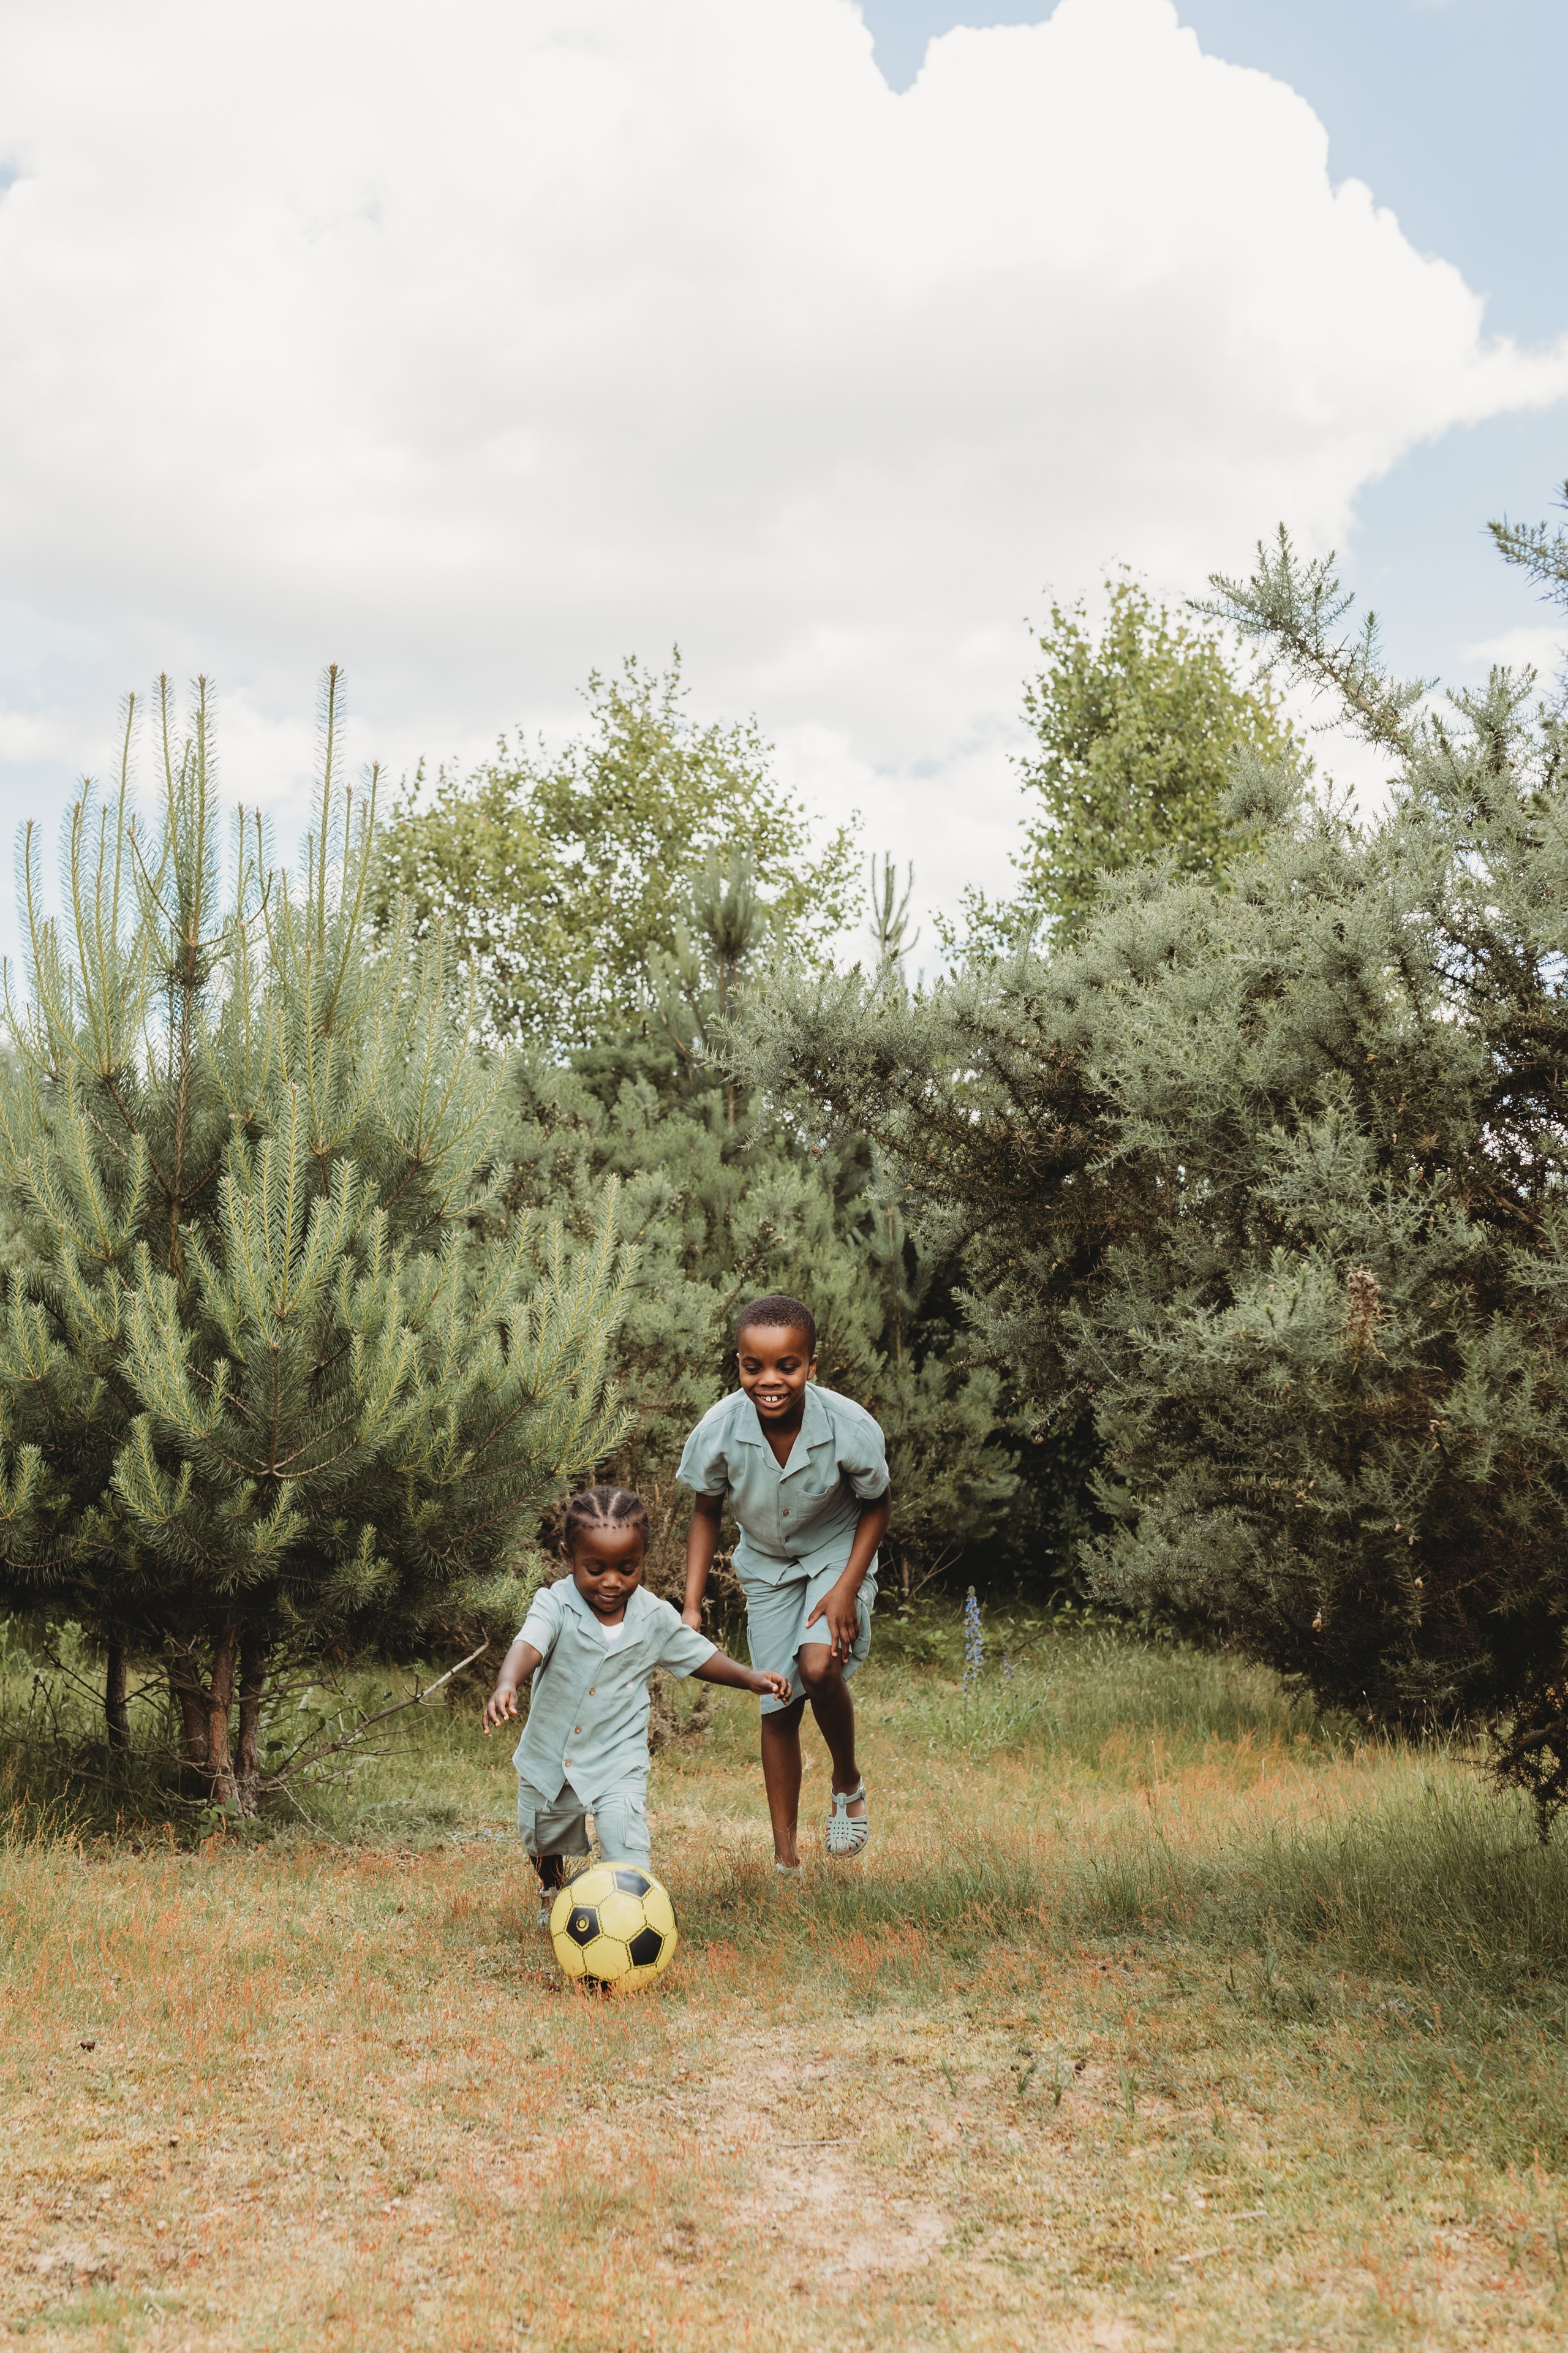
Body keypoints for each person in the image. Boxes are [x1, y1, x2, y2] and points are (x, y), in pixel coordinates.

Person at [481, 1484, 790, 1922]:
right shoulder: (555, 1604)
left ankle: (631, 1914)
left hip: (618, 1757)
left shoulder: (653, 1616)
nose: (613, 1581)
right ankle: (552, 1888)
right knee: (542, 1837)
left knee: (624, 1838)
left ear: (643, 1558)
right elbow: (529, 1643)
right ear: (570, 1558)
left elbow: (697, 1654)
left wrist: (750, 1677)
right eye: (596, 1568)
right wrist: (507, 1681)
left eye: (628, 1568)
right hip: (551, 1753)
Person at [677, 1294, 891, 1876]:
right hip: (767, 1564)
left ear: (811, 1365)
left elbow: (877, 1503)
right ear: (740, 1363)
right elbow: (705, 1510)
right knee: (776, 1698)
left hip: (835, 1551)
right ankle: (786, 1862)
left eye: (787, 1366)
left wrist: (848, 1586)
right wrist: (692, 1607)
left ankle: (846, 1780)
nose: (769, 1380)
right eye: (754, 1366)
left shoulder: (847, 1426)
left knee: (819, 1667)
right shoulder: (720, 1428)